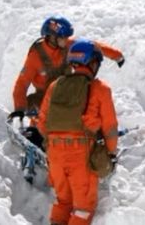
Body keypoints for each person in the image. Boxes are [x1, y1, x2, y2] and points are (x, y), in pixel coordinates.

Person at [39, 39, 118, 225]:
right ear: (92, 63)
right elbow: (110, 127)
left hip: (55, 154)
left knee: (63, 201)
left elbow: (42, 124)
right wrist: (111, 153)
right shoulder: (100, 89)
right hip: (80, 156)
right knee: (83, 208)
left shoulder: (55, 86)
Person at [10, 16, 124, 122]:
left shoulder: (67, 45)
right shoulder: (35, 56)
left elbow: (92, 46)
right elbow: (21, 84)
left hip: (66, 93)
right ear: (52, 37)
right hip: (44, 98)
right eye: (63, 37)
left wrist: (117, 55)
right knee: (34, 105)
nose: (66, 40)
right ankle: (34, 132)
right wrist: (19, 109)